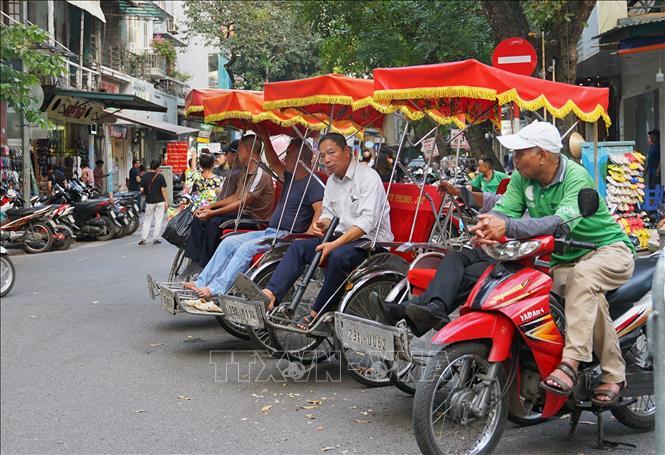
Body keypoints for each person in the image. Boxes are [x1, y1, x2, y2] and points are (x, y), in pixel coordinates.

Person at [470, 121, 634, 406]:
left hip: (608, 250)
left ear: (543, 155)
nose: (515, 159)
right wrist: (487, 224)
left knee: (583, 278)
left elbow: (559, 224)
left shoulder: (576, 177)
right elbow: (504, 210)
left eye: (521, 153)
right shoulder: (522, 178)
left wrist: (506, 226)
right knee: (533, 292)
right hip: (564, 260)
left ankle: (575, 363)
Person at [260, 132, 393, 327]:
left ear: (347, 152)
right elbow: (329, 214)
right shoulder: (332, 181)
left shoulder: (368, 178)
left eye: (331, 153)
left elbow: (367, 222)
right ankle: (270, 295)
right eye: (323, 156)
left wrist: (333, 244)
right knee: (298, 247)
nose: (327, 160)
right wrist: (322, 223)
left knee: (339, 256)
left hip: (370, 243)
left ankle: (318, 313)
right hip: (338, 238)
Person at [184, 137, 324, 301]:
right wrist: (263, 134)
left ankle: (215, 289)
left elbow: (319, 211)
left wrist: (305, 237)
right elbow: (272, 160)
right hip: (270, 230)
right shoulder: (289, 177)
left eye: (289, 154)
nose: (284, 158)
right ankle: (201, 281)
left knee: (246, 249)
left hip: (286, 235)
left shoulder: (313, 184)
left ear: (301, 159)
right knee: (228, 242)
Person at [375, 181, 500, 335]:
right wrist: (457, 192)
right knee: (454, 256)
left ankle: (411, 309)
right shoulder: (517, 187)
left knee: (465, 277)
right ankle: (436, 308)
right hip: (484, 247)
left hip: (507, 254)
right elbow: (492, 200)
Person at [184, 135, 274, 268]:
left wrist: (213, 213)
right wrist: (210, 207)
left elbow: (242, 202)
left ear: (248, 150)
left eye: (240, 150)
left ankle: (207, 265)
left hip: (254, 220)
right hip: (241, 214)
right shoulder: (246, 172)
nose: (237, 154)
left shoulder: (260, 173)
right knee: (199, 218)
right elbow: (236, 197)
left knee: (214, 222)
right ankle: (197, 261)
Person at [138, 159, 168, 245]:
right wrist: (166, 201)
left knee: (147, 220)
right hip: (160, 201)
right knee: (158, 220)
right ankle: (156, 238)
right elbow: (163, 190)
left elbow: (142, 189)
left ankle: (143, 238)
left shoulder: (145, 176)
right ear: (158, 167)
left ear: (150, 166)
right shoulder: (160, 176)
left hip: (149, 201)